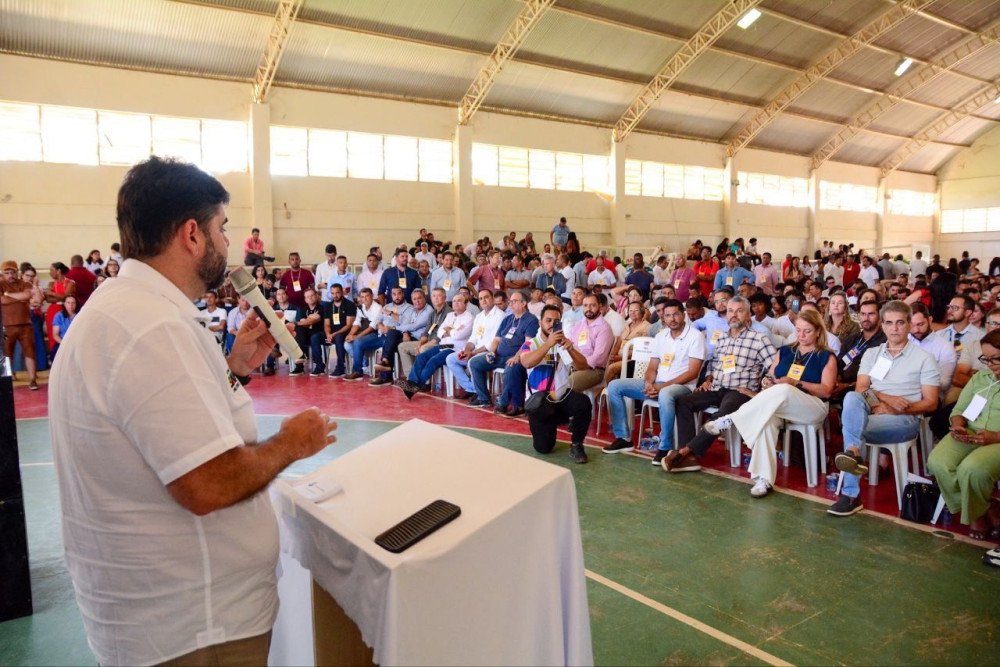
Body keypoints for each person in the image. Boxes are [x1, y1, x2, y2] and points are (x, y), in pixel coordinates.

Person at [48, 156, 336, 666]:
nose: (227, 244)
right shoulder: (153, 327)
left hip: (174, 615)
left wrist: (234, 370)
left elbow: (167, 420)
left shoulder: (125, 308)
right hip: (194, 627)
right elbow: (207, 484)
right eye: (221, 229)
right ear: (191, 235)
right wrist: (293, 442)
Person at [701, 309, 837, 497]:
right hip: (779, 405)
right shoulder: (785, 351)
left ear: (818, 332)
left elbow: (827, 390)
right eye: (798, 330)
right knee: (768, 420)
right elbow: (770, 376)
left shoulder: (826, 356)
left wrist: (795, 382)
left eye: (807, 331)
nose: (802, 335)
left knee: (785, 389)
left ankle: (732, 419)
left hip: (812, 406)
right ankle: (763, 479)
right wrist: (767, 382)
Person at [830, 301, 940, 516]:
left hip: (905, 419)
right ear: (883, 325)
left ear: (909, 324)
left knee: (853, 429)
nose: (894, 328)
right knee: (852, 396)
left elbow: (931, 402)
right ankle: (854, 453)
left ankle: (851, 493)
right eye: (889, 323)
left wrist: (898, 409)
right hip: (873, 411)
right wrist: (885, 399)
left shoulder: (924, 359)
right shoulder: (872, 353)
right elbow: (862, 388)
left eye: (900, 323)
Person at [664, 296, 777, 473]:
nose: (734, 315)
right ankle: (691, 457)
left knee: (723, 412)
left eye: (739, 311)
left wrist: (760, 389)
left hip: (739, 391)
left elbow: (774, 367)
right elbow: (713, 362)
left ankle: (685, 452)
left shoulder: (758, 339)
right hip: (717, 387)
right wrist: (708, 379)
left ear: (748, 315)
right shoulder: (722, 338)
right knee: (683, 401)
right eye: (731, 311)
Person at [603, 299, 706, 462]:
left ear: (683, 315)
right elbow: (652, 366)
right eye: (667, 316)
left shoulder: (695, 336)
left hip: (682, 387)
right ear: (663, 318)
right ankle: (623, 438)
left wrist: (661, 387)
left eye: (676, 315)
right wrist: (649, 383)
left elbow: (693, 372)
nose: (672, 319)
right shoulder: (660, 336)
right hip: (657, 384)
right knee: (615, 386)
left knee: (665, 393)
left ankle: (665, 447)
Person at [927, 329, 1000, 540]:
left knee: (972, 469)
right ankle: (984, 509)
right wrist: (958, 425)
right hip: (970, 432)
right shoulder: (981, 378)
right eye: (985, 359)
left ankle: (975, 514)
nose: (989, 364)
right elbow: (959, 410)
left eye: (995, 359)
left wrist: (994, 437)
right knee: (937, 462)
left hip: (996, 439)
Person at [520, 305, 591, 464]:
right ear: (541, 322)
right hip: (540, 404)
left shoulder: (564, 345)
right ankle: (550, 426)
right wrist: (548, 344)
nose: (552, 324)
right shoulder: (531, 344)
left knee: (583, 403)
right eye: (548, 320)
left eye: (556, 321)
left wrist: (571, 348)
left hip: (561, 398)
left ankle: (577, 444)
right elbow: (526, 363)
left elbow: (583, 366)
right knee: (544, 448)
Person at [467, 292, 538, 409]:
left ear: (524, 303)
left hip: (516, 357)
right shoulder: (508, 319)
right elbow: (496, 339)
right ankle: (483, 398)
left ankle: (504, 403)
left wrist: (516, 357)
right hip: (498, 355)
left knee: (511, 368)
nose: (511, 304)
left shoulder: (531, 320)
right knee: (475, 363)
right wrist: (492, 352)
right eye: (510, 302)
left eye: (514, 301)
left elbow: (528, 343)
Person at [399, 293, 474, 397]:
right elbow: (439, 332)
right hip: (443, 345)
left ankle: (414, 387)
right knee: (421, 357)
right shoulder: (450, 315)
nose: (456, 303)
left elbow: (458, 336)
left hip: (455, 349)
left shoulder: (469, 317)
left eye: (459, 301)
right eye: (454, 301)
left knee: (433, 361)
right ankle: (412, 382)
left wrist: (449, 330)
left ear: (466, 304)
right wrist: (451, 331)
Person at [445, 289, 506, 400]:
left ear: (492, 298)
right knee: (450, 358)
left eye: (486, 297)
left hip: (490, 352)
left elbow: (493, 342)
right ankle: (472, 388)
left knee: (473, 361)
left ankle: (479, 393)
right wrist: (467, 350)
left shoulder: (500, 316)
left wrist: (473, 353)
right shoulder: (479, 316)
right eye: (481, 298)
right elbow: (473, 338)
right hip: (475, 351)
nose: (484, 300)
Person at [1, 260, 40, 389]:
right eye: (7, 273)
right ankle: (8, 378)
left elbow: (28, 295)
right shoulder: (0, 284)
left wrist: (8, 295)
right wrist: (19, 297)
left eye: (12, 272)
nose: (10, 275)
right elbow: (2, 300)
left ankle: (33, 380)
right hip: (7, 325)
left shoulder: (24, 283)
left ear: (17, 272)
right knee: (7, 354)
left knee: (30, 352)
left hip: (25, 324)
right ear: (2, 274)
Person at [603, 301, 651, 385]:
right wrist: (612, 355)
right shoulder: (627, 324)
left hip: (632, 359)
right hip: (619, 355)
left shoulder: (647, 326)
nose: (632, 313)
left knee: (611, 368)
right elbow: (619, 341)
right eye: (630, 310)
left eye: (636, 310)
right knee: (605, 361)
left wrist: (620, 358)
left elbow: (642, 349)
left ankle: (606, 389)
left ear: (642, 311)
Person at [323, 283, 357, 378]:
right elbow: (326, 324)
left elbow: (349, 324)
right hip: (332, 333)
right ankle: (319, 366)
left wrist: (334, 334)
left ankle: (340, 368)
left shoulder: (350, 305)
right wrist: (328, 334)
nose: (335, 295)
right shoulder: (328, 306)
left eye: (337, 293)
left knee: (338, 338)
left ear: (342, 292)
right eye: (333, 293)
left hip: (345, 332)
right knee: (315, 337)